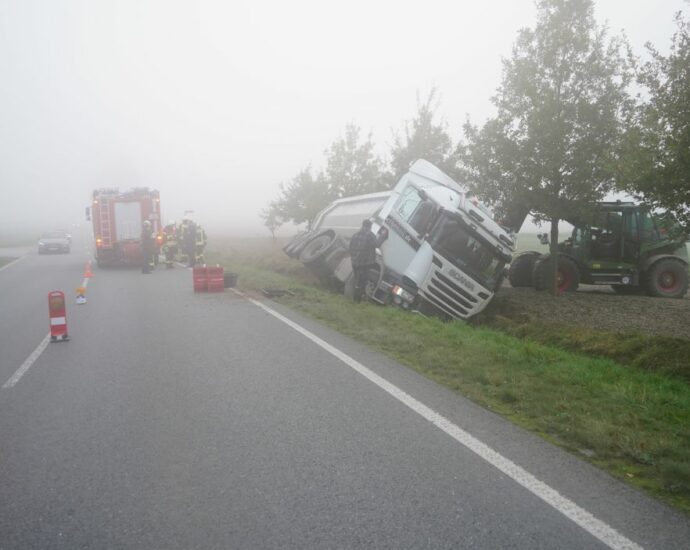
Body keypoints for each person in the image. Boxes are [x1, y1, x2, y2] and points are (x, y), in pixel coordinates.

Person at [349, 219, 388, 302]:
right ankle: (357, 301)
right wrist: (383, 235)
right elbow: (377, 244)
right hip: (365, 263)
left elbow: (350, 248)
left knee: (357, 280)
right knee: (362, 281)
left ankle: (356, 299)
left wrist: (353, 258)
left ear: (362, 225)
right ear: (370, 226)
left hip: (355, 262)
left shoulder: (355, 235)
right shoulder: (369, 235)